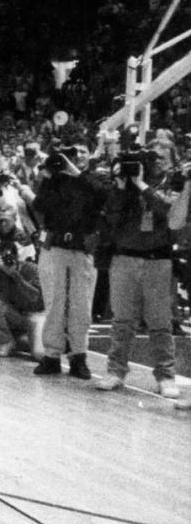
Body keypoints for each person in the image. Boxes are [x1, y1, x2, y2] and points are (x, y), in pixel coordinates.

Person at [94, 156, 180, 398]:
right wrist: (122, 189)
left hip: (158, 261)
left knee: (160, 322)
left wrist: (142, 186)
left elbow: (170, 212)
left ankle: (166, 376)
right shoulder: (119, 191)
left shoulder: (167, 186)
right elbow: (111, 222)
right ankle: (115, 371)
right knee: (122, 320)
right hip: (124, 259)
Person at [31, 144, 107, 378]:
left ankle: (79, 356)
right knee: (54, 302)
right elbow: (38, 205)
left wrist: (77, 174)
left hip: (82, 249)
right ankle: (52, 355)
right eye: (69, 155)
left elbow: (102, 196)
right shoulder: (53, 180)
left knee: (81, 305)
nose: (75, 158)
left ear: (89, 155)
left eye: (81, 152)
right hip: (54, 246)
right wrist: (49, 176)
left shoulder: (95, 178)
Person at [0, 240, 44, 357]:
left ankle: (40, 340)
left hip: (36, 314)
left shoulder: (31, 268)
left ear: (16, 256)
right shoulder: (0, 274)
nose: (7, 261)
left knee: (39, 354)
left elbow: (35, 296)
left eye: (9, 256)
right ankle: (7, 341)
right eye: (2, 258)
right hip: (18, 316)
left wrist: (15, 276)